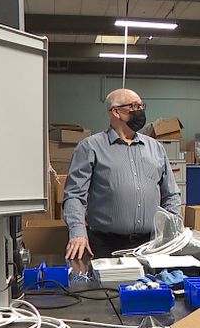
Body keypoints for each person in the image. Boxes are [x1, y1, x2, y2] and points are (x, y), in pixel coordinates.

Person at [63, 88, 181, 261]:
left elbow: (171, 194)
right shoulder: (90, 147)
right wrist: (78, 232)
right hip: (105, 245)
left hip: (150, 244)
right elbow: (74, 195)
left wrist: (174, 230)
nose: (140, 110)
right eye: (134, 106)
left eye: (142, 105)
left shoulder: (155, 148)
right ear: (116, 112)